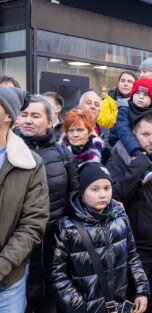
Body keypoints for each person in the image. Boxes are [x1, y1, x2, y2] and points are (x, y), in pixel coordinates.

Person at [50, 163, 149, 313]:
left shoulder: (120, 217)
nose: (102, 194)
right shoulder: (66, 227)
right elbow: (57, 275)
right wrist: (79, 307)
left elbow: (133, 257)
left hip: (118, 306)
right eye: (94, 189)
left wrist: (141, 290)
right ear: (82, 191)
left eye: (107, 188)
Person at [107, 114, 152, 313]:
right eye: (145, 134)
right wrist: (139, 165)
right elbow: (116, 194)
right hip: (138, 250)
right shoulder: (121, 158)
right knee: (134, 304)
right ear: (134, 135)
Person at [16, 95, 79, 313]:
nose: (27, 120)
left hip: (54, 251)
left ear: (50, 121)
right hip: (17, 252)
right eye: (24, 115)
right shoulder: (8, 151)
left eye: (35, 116)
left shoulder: (63, 155)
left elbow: (74, 198)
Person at [0, 85, 49, 313]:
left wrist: (2, 266)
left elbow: (32, 224)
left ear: (9, 115)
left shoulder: (30, 163)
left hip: (8, 282)